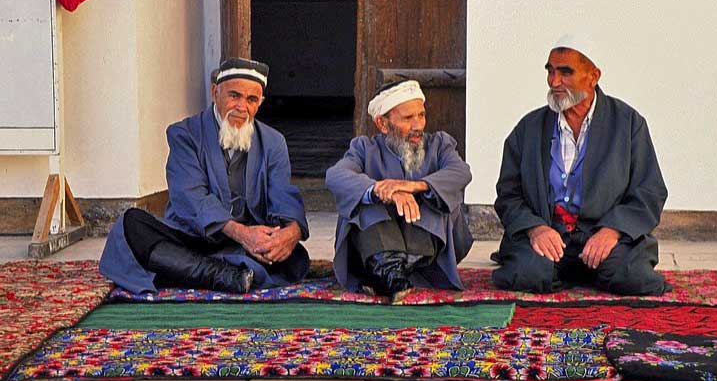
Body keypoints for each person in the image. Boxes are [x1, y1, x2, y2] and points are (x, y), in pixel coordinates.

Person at [99, 57, 309, 294]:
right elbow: (190, 197)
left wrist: (290, 234)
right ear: (215, 93)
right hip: (190, 237)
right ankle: (218, 274)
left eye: (251, 99)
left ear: (259, 103)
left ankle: (195, 272)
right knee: (131, 226)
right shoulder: (185, 134)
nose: (242, 107)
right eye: (234, 96)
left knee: (291, 258)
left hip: (247, 246)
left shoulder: (273, 142)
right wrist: (241, 233)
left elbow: (283, 195)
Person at [492, 34, 669, 295]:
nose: (554, 82)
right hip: (549, 232)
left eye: (565, 72)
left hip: (603, 233)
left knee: (632, 277)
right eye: (550, 72)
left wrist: (612, 231)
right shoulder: (529, 128)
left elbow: (649, 191)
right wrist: (536, 229)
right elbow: (509, 194)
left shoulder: (628, 124)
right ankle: (572, 270)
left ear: (593, 76)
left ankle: (592, 266)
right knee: (530, 272)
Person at [326, 80, 473, 297]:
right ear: (383, 124)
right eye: (407, 118)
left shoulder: (440, 144)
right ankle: (390, 273)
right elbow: (335, 176)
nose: (418, 126)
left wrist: (414, 187)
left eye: (421, 115)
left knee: (436, 196)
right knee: (363, 201)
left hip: (427, 252)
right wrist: (379, 190)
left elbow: (461, 172)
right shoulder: (364, 148)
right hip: (376, 247)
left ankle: (394, 274)